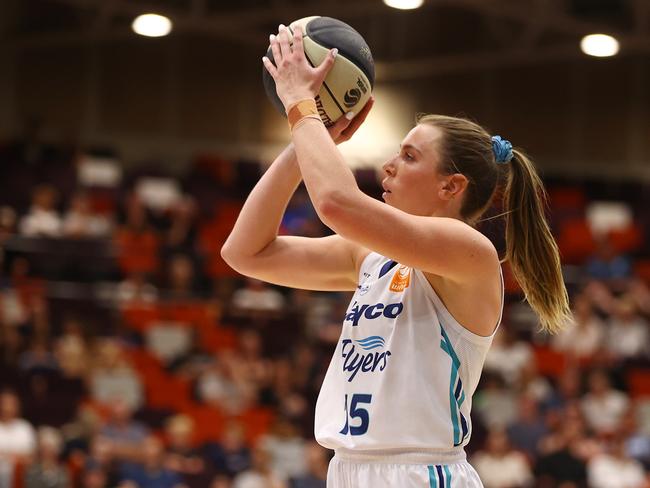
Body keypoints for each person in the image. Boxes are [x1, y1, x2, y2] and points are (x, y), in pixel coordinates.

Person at [222, 24, 571, 488]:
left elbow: (335, 204)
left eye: (408, 157)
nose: (388, 164)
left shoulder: (469, 251)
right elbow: (247, 252)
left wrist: (301, 108)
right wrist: (304, 141)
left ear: (451, 186)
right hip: (349, 469)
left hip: (420, 472)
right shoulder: (369, 256)